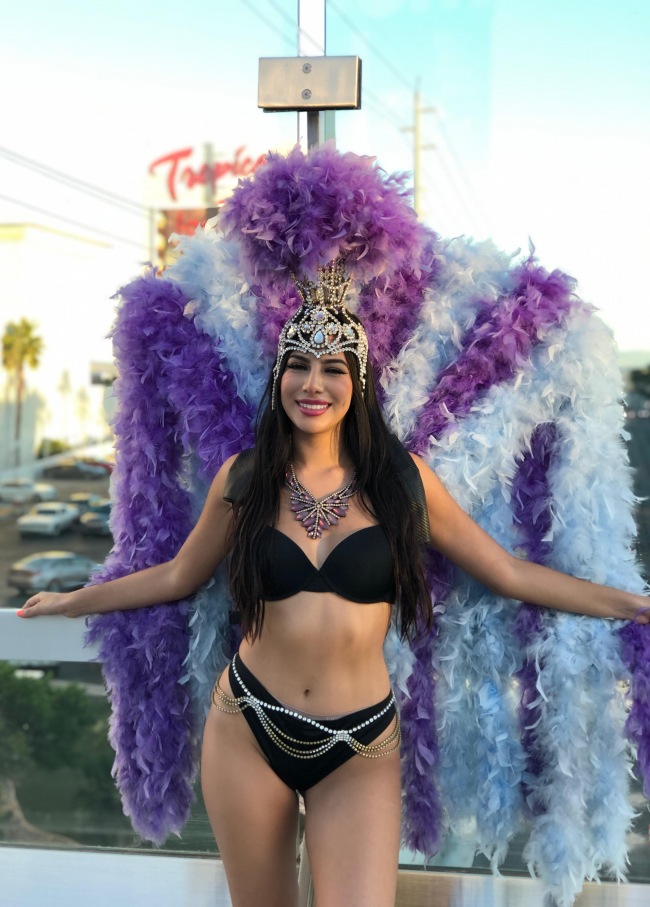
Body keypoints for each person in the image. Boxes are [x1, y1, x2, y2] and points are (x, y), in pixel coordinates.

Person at [16, 257, 650, 907]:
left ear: (358, 381)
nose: (312, 384)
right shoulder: (245, 477)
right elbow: (179, 575)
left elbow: (508, 572)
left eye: (333, 368)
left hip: (359, 744)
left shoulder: (401, 481)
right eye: (298, 365)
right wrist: (75, 598)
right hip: (248, 726)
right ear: (280, 378)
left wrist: (634, 605)